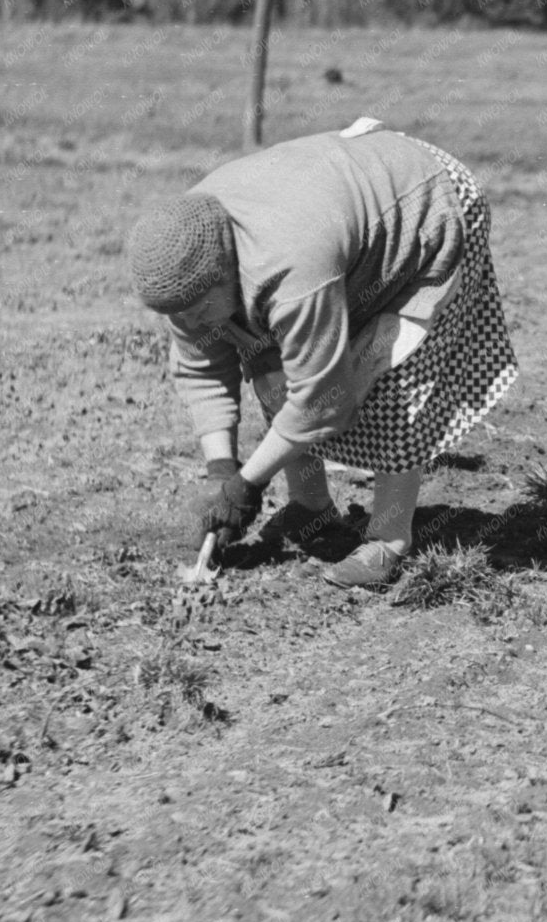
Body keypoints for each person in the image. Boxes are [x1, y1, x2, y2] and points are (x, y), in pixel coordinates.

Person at [125, 118, 517, 591]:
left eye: (198, 311)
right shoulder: (185, 263)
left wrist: (247, 487)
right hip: (339, 215)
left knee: (395, 375)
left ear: (226, 272)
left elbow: (321, 398)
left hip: (425, 205)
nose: (189, 326)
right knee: (269, 368)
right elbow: (201, 369)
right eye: (177, 316)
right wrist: (221, 472)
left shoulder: (291, 271)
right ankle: (310, 508)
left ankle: (389, 537)